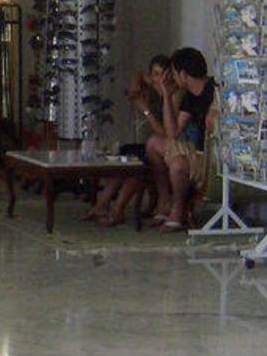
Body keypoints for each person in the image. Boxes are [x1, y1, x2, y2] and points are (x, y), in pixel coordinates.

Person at [85, 55, 169, 226]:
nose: (158, 80)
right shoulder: (152, 85)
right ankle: (102, 204)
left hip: (162, 146)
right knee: (124, 156)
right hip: (148, 145)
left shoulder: (171, 96)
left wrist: (145, 110)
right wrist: (135, 84)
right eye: (155, 74)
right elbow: (138, 75)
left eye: (162, 75)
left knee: (135, 165)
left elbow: (165, 133)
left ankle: (117, 209)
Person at [145, 46, 216, 231]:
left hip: (211, 156)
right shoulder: (190, 97)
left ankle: (178, 210)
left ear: (183, 74)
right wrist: (167, 96)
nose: (173, 79)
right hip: (195, 151)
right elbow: (172, 134)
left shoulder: (215, 90)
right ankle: (164, 201)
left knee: (177, 164)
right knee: (153, 143)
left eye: (174, 73)